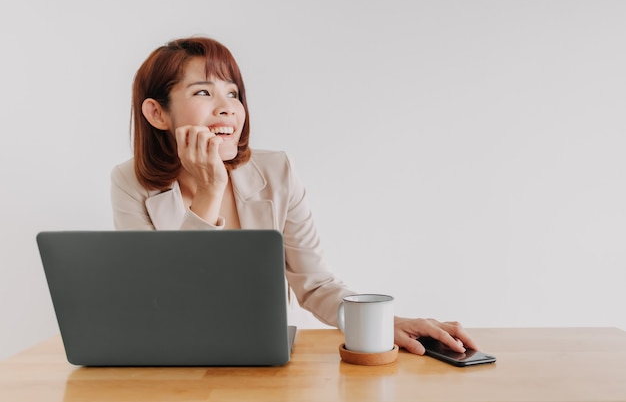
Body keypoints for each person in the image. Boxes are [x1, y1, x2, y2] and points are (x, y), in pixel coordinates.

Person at [110, 36, 478, 355]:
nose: (227, 108)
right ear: (157, 113)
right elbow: (164, 303)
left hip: (264, 359)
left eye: (233, 93)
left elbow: (316, 285)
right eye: (204, 91)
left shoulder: (277, 171)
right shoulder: (131, 183)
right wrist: (209, 191)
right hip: (176, 363)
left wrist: (383, 325)